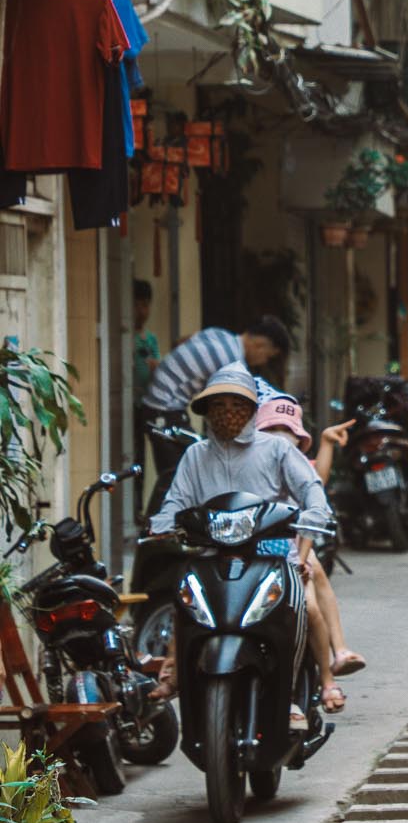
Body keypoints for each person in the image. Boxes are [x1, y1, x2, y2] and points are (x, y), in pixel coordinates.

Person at [148, 363, 334, 725]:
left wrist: (314, 512)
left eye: (237, 404)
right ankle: (175, 673)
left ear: (251, 410)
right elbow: (176, 500)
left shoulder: (277, 450)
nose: (228, 412)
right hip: (212, 555)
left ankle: (291, 693)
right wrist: (162, 523)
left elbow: (310, 488)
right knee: (183, 601)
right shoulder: (195, 456)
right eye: (219, 405)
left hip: (273, 554)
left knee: (293, 610)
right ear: (207, 412)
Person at [255, 391, 367, 702]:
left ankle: (331, 669)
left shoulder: (299, 470)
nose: (279, 440)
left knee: (312, 599)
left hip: (290, 550)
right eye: (271, 433)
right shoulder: (249, 470)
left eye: (286, 433)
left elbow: (312, 506)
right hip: (254, 554)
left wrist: (300, 560)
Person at [142, 316, 291, 416]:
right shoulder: (234, 362)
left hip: (153, 395)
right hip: (164, 405)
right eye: (267, 356)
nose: (264, 362)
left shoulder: (219, 334)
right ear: (260, 345)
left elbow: (180, 342)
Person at [131, 279, 159, 410]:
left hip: (145, 402)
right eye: (136, 305)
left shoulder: (151, 339)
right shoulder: (124, 338)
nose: (141, 311)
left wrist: (156, 368)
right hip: (128, 401)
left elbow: (157, 366)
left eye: (145, 305)